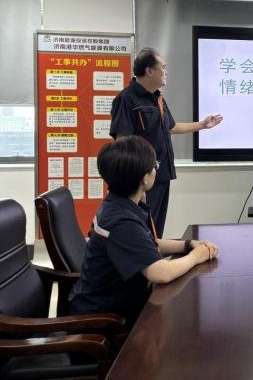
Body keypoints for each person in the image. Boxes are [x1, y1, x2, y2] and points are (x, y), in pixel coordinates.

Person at [69, 136, 219, 326]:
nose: (156, 169)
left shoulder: (118, 204)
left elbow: (147, 243)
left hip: (114, 304)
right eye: (154, 166)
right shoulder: (121, 222)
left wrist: (188, 245)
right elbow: (160, 273)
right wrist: (196, 257)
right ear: (145, 178)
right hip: (103, 321)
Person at [110, 48, 222, 236]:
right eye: (163, 67)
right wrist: (137, 183)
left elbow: (171, 126)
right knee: (141, 230)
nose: (166, 72)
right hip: (142, 179)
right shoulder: (126, 99)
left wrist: (202, 125)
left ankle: (153, 254)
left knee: (155, 229)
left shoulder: (158, 98)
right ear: (149, 71)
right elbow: (123, 144)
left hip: (160, 175)